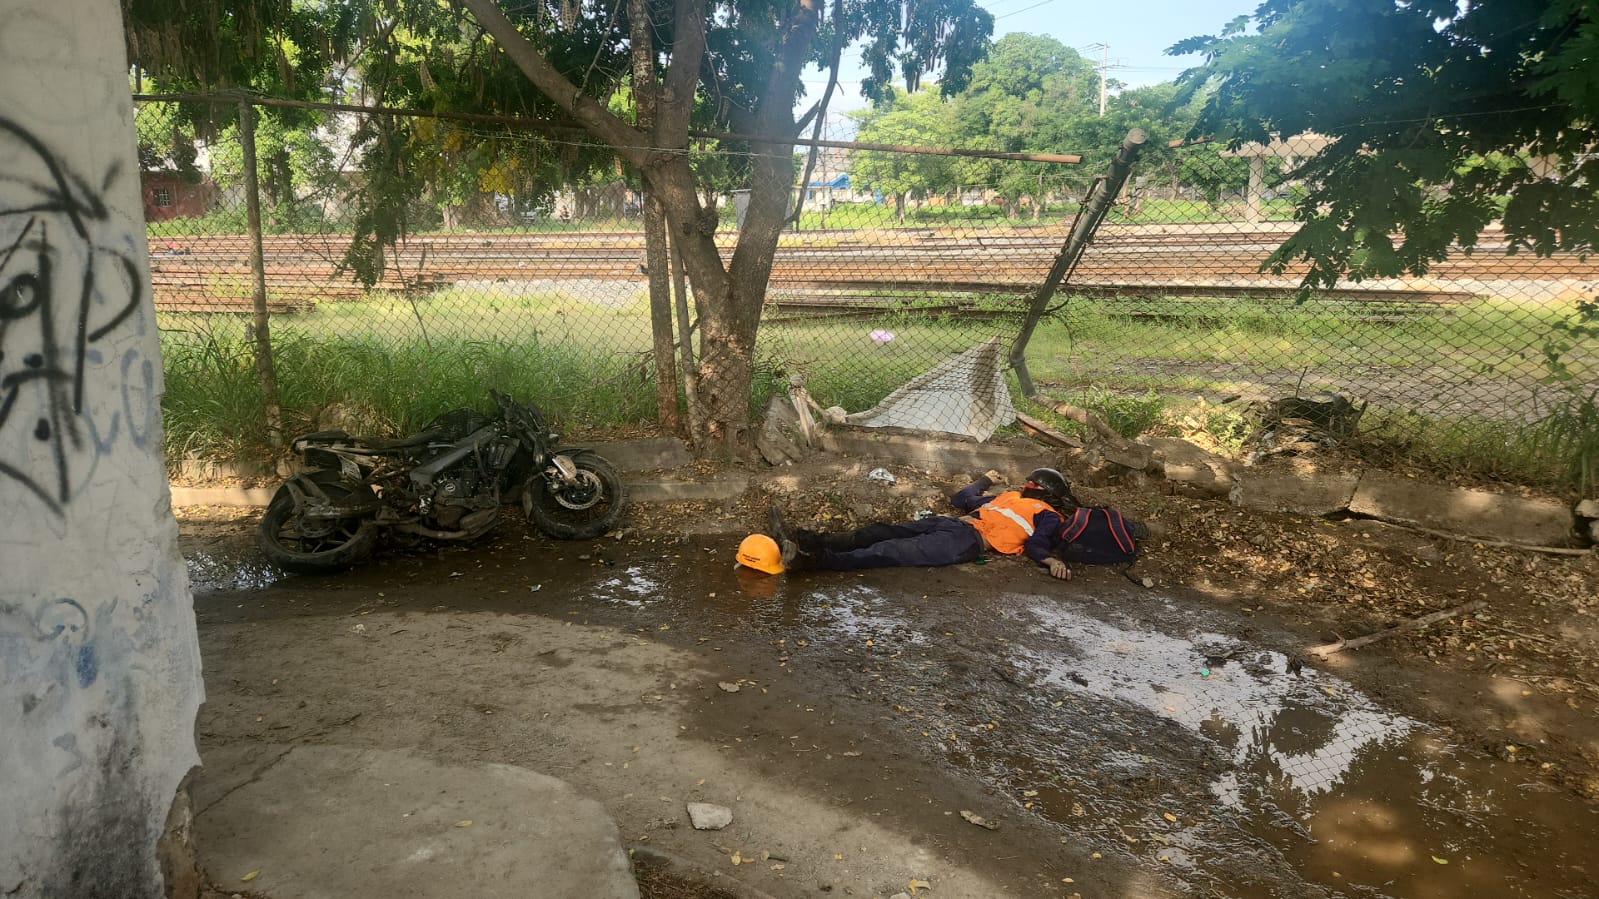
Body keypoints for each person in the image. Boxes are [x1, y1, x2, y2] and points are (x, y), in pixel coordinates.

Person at [757, 468, 1080, 579]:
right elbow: (962, 498)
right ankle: (804, 538)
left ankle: (811, 561)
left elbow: (1037, 543)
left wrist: (1050, 561)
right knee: (878, 532)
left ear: (1041, 491)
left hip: (963, 542)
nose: (1025, 486)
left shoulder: (1049, 515)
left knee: (889, 550)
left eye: (1030, 484)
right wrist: (984, 480)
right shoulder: (1010, 497)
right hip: (951, 525)